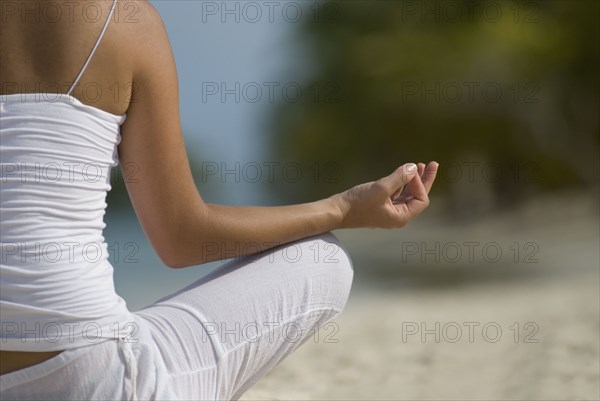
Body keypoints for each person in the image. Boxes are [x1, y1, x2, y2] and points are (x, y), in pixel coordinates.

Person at [0, 0, 438, 399]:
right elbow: (182, 237)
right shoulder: (127, 22)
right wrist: (343, 209)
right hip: (95, 380)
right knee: (322, 259)